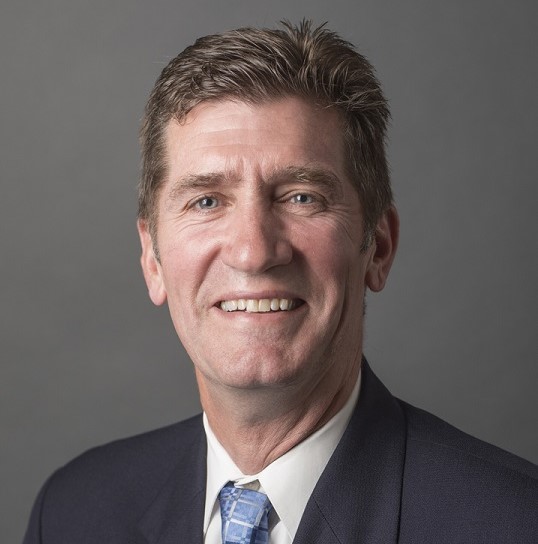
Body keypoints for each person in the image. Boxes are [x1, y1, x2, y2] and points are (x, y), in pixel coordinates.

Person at [23, 20, 537, 544]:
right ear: (152, 259)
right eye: (206, 201)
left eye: (301, 197)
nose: (253, 251)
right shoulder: (71, 515)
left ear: (378, 247)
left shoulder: (515, 524)